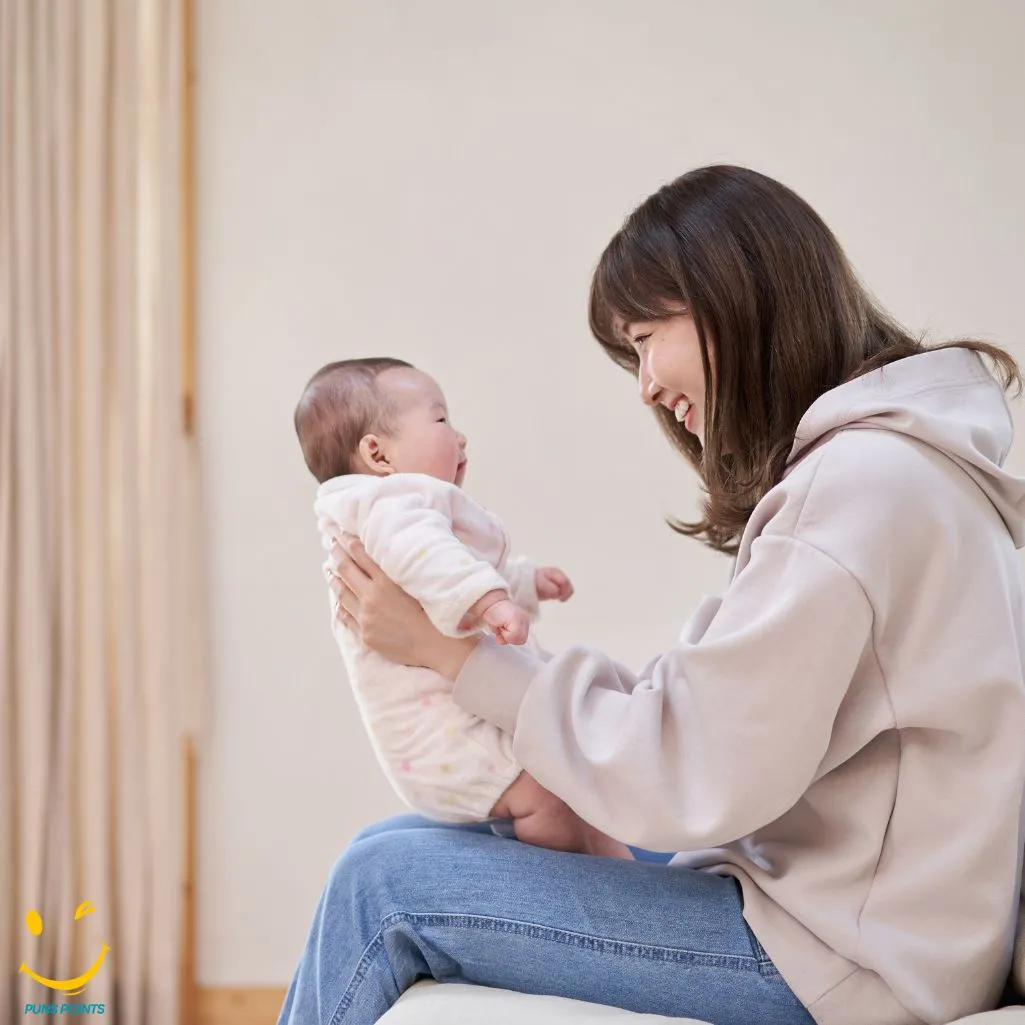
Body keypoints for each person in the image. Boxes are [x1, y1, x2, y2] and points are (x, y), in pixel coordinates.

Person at [277, 165, 1025, 1025]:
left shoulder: (859, 488)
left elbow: (689, 772)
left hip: (842, 959)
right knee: (391, 844)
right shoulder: (880, 471)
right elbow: (719, 729)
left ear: (726, 302)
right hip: (837, 911)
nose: (644, 386)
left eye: (642, 339)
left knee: (382, 885)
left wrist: (453, 655)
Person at [293, 357, 625, 854]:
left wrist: (523, 583)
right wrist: (492, 600)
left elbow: (448, 566)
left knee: (573, 789)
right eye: (441, 419)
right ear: (377, 454)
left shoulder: (394, 516)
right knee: (548, 798)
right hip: (447, 738)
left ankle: (613, 870)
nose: (460, 437)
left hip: (454, 727)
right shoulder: (391, 509)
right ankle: (575, 889)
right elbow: (436, 565)